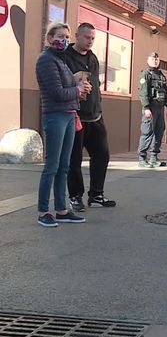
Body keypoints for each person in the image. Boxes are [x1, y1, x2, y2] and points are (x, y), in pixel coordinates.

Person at [35, 22, 90, 227]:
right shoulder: (46, 60)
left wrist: (80, 90)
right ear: (50, 38)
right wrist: (77, 90)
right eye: (60, 36)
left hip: (68, 115)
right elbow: (57, 93)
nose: (64, 40)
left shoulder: (61, 59)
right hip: (55, 115)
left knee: (64, 166)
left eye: (67, 37)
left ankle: (61, 209)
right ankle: (43, 211)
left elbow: (69, 88)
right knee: (51, 166)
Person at [65, 23, 116, 211]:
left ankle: (96, 195)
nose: (90, 41)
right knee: (74, 160)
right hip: (75, 116)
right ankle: (75, 196)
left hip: (95, 115)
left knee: (102, 155)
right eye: (87, 37)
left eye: (93, 38)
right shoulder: (66, 57)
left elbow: (95, 83)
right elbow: (59, 82)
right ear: (77, 36)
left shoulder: (93, 58)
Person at [138, 52, 167, 167]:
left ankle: (154, 157)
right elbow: (143, 92)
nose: (155, 61)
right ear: (148, 60)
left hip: (160, 108)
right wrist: (146, 108)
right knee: (147, 132)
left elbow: (166, 91)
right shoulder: (145, 74)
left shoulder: (161, 75)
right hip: (150, 107)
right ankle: (142, 158)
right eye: (153, 59)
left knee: (159, 131)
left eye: (157, 59)